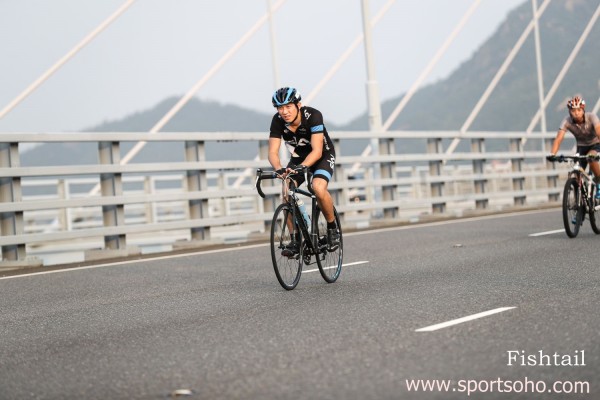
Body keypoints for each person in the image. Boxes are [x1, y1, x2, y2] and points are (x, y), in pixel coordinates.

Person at [268, 87, 339, 256]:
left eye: (288, 107)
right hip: (299, 158)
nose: (284, 112)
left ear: (298, 105)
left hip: (322, 155)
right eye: (280, 108)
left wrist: (303, 166)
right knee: (286, 191)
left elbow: (317, 151)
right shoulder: (277, 121)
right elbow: (272, 152)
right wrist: (279, 169)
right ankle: (295, 240)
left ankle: (332, 228)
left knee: (318, 187)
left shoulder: (313, 116)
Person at [548, 95, 600, 197]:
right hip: (581, 147)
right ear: (569, 112)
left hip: (595, 144)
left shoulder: (591, 117)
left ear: (583, 110)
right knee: (577, 172)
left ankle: (599, 181)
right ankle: (579, 198)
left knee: (590, 157)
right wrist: (552, 154)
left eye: (579, 110)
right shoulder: (567, 121)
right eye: (573, 110)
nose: (576, 113)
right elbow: (558, 139)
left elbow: (599, 132)